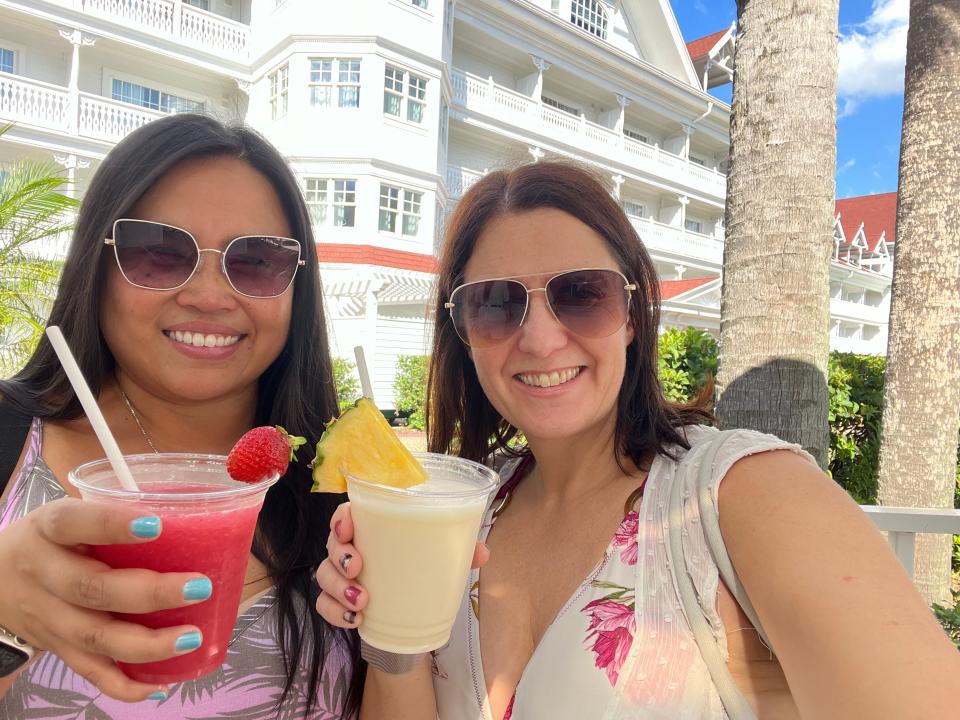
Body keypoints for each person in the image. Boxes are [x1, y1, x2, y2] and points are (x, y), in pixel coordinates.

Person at [316, 160, 960, 719]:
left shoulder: (742, 494)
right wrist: (392, 626)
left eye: (581, 294)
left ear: (632, 314)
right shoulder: (465, 513)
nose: (539, 339)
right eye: (494, 303)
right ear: (462, 332)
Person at [0, 114, 362, 718]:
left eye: (255, 261)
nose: (210, 295)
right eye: (159, 254)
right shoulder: (8, 437)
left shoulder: (336, 484)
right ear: (99, 261)